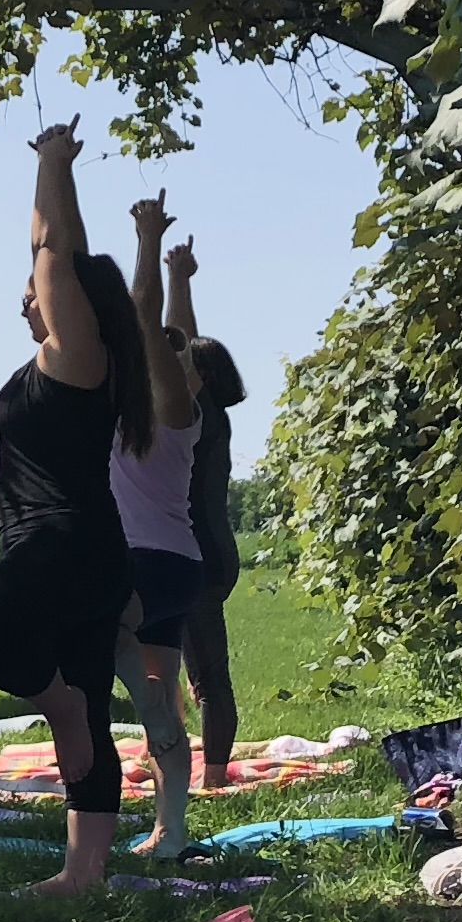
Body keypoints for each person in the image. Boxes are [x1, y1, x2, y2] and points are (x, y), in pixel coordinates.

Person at [0, 121, 152, 900]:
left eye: (39, 293)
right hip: (88, 551)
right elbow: (52, 259)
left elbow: (53, 252)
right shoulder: (74, 364)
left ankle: (58, 706)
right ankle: (84, 873)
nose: (28, 299)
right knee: (94, 714)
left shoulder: (79, 357)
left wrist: (51, 165)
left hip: (64, 544)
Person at [108, 195, 207, 860]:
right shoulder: (178, 410)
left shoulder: (167, 408)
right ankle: (171, 831)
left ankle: (146, 719)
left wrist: (144, 240)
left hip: (143, 562)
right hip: (176, 567)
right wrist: (180, 279)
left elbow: (153, 328)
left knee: (97, 640)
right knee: (166, 696)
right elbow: (174, 335)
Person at [170, 242, 249, 788]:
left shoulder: (196, 416)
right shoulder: (213, 415)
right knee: (193, 668)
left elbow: (177, 346)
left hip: (197, 558)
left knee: (206, 674)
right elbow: (185, 347)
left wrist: (174, 279)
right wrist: (181, 277)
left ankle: (214, 775)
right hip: (213, 550)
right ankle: (198, 760)